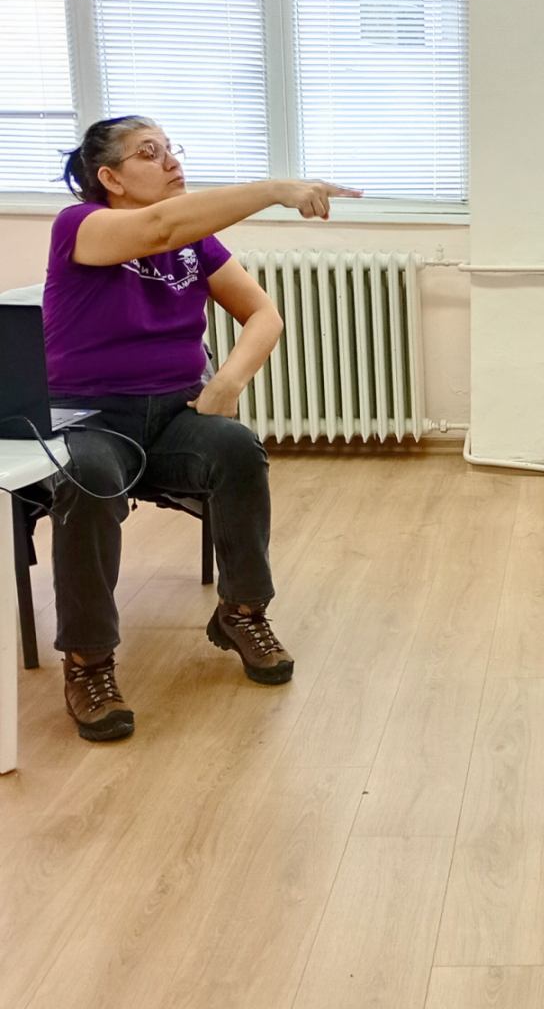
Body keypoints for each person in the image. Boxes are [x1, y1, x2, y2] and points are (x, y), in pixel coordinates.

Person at [41, 115, 358, 742]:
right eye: (149, 153)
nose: (171, 162)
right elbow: (158, 227)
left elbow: (263, 314)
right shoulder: (81, 224)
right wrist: (275, 189)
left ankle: (241, 612)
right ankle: (88, 662)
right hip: (90, 417)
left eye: (172, 149)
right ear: (111, 178)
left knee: (236, 449)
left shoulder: (196, 243)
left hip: (173, 415)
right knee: (89, 475)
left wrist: (227, 383)